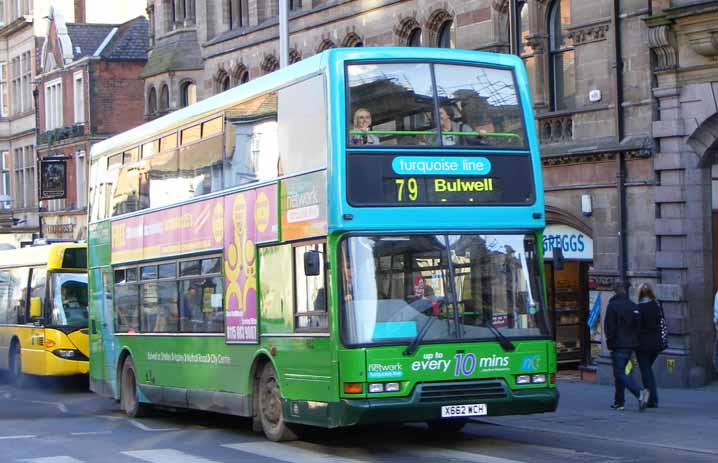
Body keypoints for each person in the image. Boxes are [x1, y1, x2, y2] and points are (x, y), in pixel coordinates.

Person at [604, 279, 649, 411]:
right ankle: (619, 401)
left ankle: (640, 393)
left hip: (619, 345)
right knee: (623, 372)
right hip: (631, 345)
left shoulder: (613, 305)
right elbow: (638, 326)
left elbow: (609, 327)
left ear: (615, 290)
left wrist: (611, 342)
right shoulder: (632, 305)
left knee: (620, 373)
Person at [636, 283, 661, 408]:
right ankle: (653, 398)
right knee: (648, 370)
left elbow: (637, 328)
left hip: (643, 345)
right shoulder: (656, 306)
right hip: (656, 344)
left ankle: (651, 399)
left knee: (646, 372)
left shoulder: (639, 308)